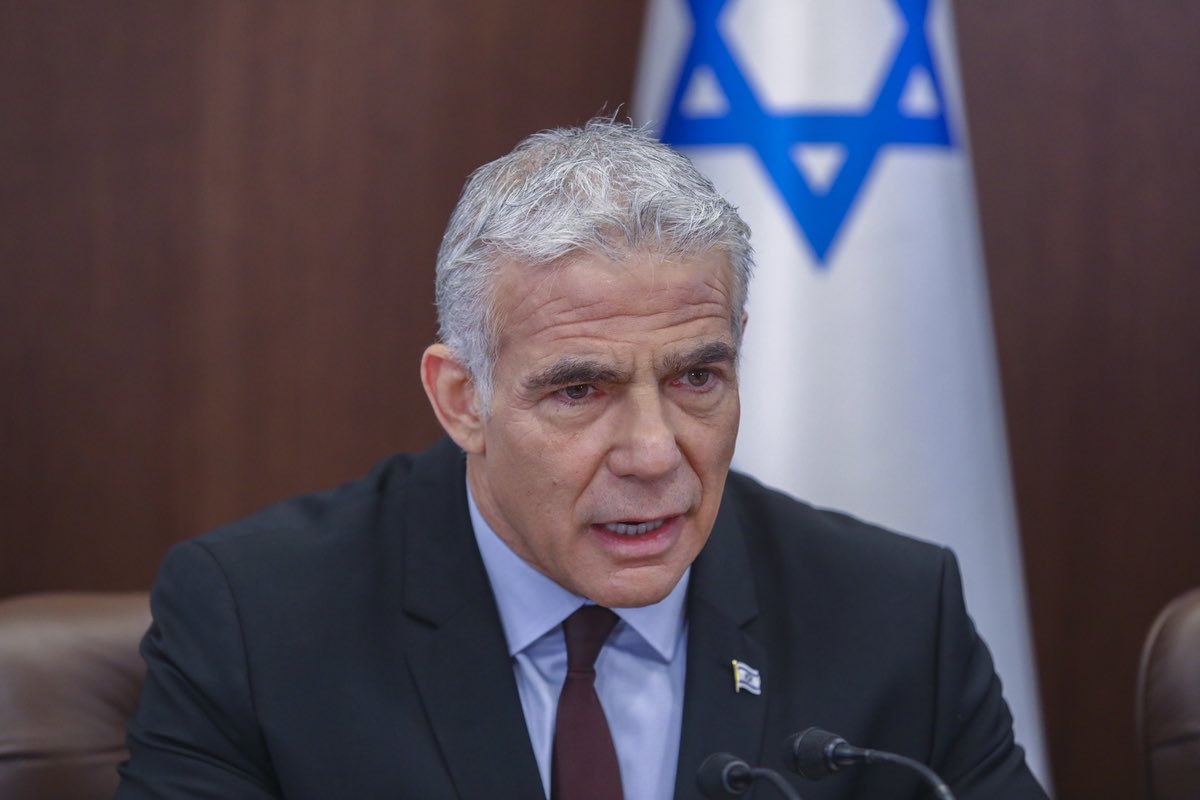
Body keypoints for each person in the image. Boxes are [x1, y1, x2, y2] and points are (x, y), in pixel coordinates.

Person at [117, 120, 1048, 800]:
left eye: (696, 377)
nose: (653, 453)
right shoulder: (257, 621)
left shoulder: (891, 615)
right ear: (462, 399)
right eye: (578, 391)